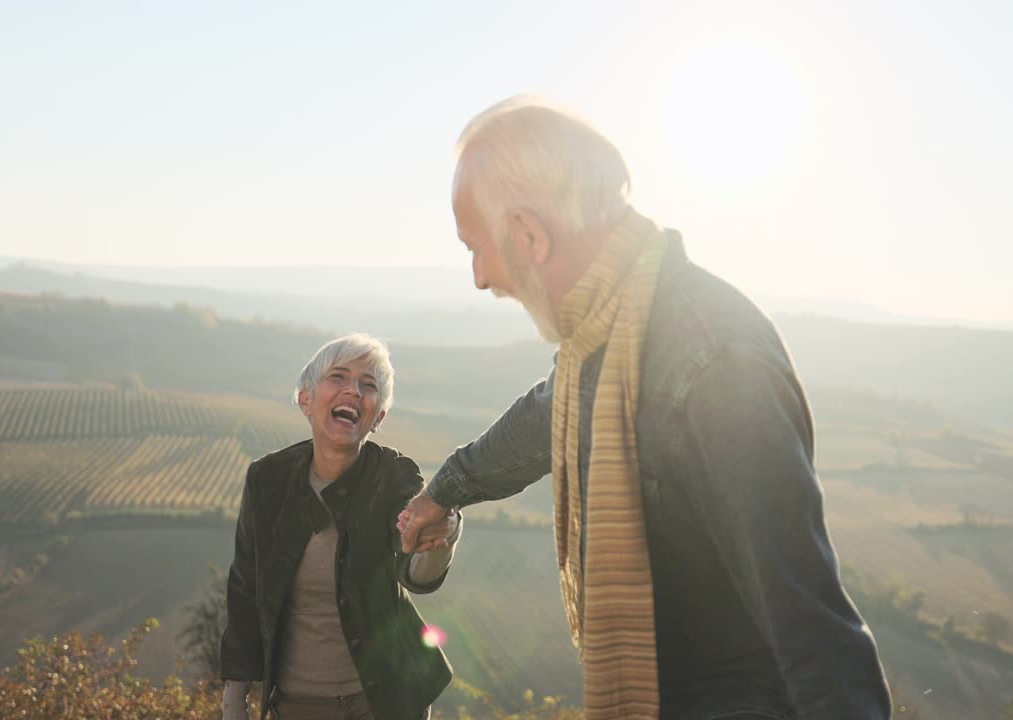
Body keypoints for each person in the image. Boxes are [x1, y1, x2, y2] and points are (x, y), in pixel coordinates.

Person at [398, 98, 892, 719]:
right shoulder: (606, 336)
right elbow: (544, 417)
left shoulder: (712, 364)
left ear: (529, 234)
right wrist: (445, 491)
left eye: (476, 248)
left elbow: (813, 630)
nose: (479, 277)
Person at [221, 333, 460, 720]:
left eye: (369, 386)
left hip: (383, 702)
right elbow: (246, 586)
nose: (354, 390)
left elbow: (416, 574)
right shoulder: (268, 480)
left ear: (378, 416)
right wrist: (235, 699)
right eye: (339, 377)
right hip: (294, 705)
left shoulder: (394, 477)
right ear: (306, 400)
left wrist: (442, 540)